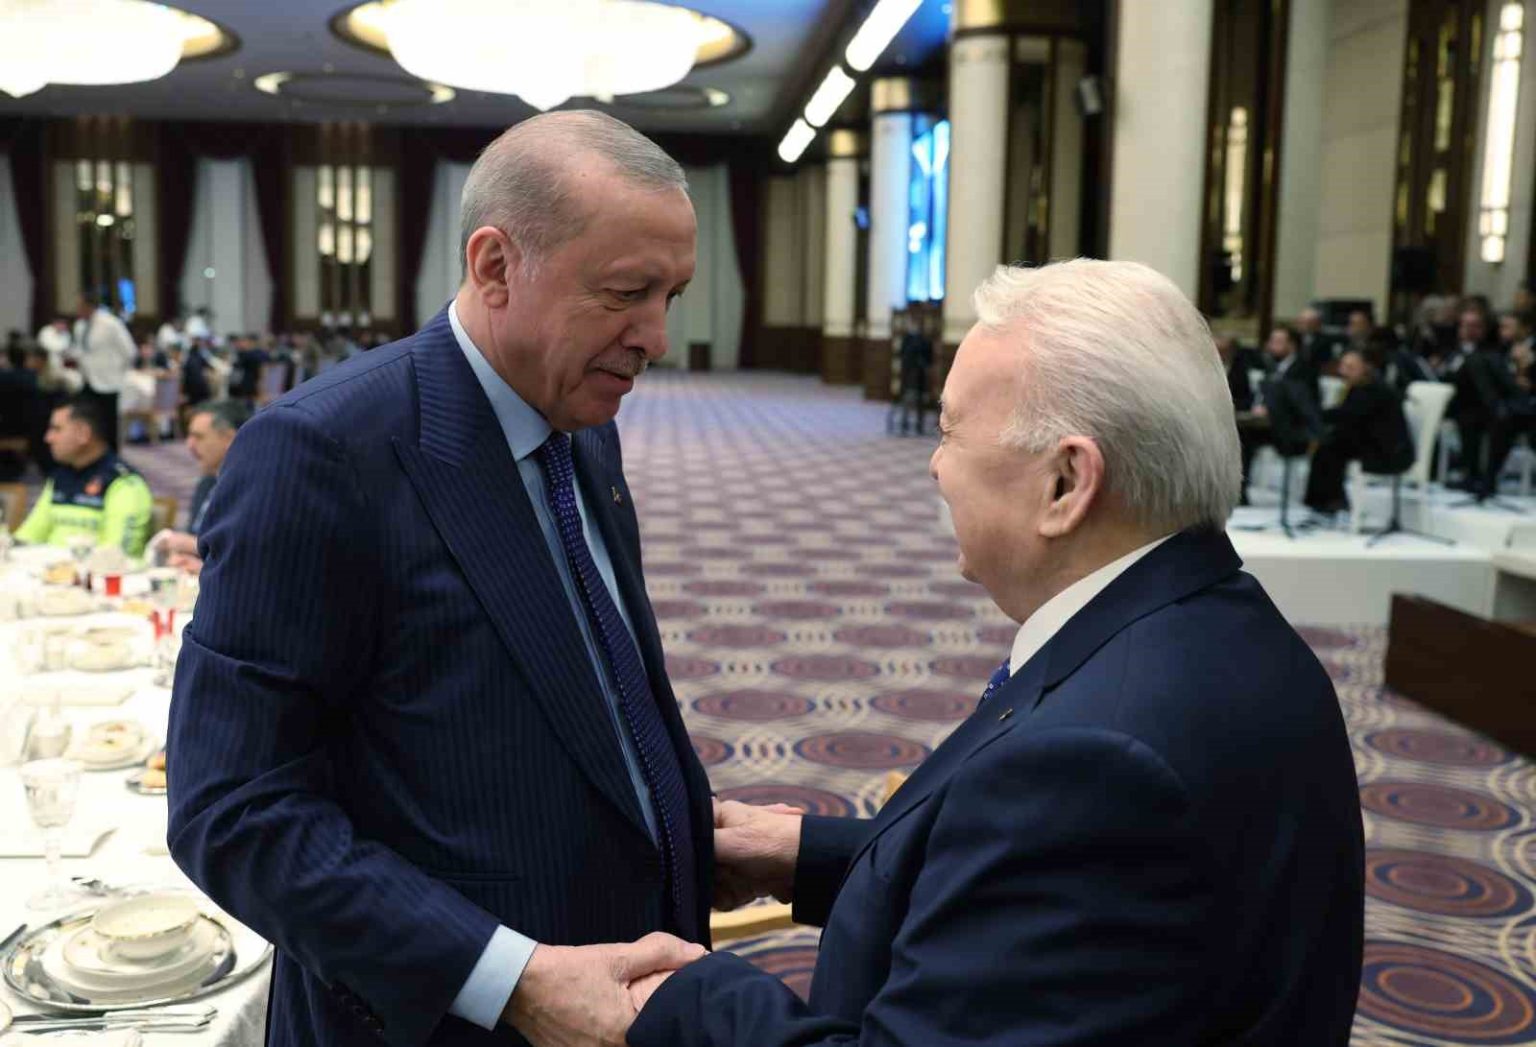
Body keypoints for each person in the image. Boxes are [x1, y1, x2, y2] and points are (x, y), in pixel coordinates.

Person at [618, 260, 1365, 1047]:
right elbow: (1037, 911)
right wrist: (809, 856)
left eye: (950, 430)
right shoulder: (1225, 628)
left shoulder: (1099, 766)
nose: (934, 463)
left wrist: (680, 996)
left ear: (1066, 482)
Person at [166, 110, 712, 1047]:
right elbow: (233, 806)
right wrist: (510, 979)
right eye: (627, 292)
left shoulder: (582, 422)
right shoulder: (320, 453)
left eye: (673, 294)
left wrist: (678, 822)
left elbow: (577, 686)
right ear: (495, 265)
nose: (656, 335)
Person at [14, 396, 153, 556]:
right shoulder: (60, 478)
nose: (48, 438)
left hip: (97, 570)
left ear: (83, 433)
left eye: (57, 429)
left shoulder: (125, 483)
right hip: (48, 569)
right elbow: (28, 537)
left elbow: (117, 556)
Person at [1303, 346, 1415, 515]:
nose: (1344, 372)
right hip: (1368, 440)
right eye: (1343, 366)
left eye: (1351, 367)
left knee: (1331, 446)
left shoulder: (1374, 389)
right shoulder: (1358, 386)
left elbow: (1349, 415)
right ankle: (1325, 500)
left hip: (1389, 451)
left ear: (1366, 367)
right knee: (1329, 444)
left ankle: (1330, 501)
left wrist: (1314, 414)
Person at [147, 399, 251, 575]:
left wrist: (192, 547)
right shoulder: (206, 484)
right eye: (189, 436)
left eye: (199, 437)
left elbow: (245, 554)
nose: (189, 445)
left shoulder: (251, 490)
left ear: (229, 439)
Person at [1238, 326, 1321, 504]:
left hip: (1292, 428)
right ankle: (1240, 491)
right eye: (1271, 341)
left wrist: (1272, 409)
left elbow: (1304, 405)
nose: (1271, 346)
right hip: (1268, 425)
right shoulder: (1271, 367)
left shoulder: (1304, 369)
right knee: (1240, 437)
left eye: (1277, 342)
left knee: (1245, 438)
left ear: (1292, 345)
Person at [71, 293, 136, 450]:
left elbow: (130, 351)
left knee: (108, 424)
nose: (77, 310)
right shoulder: (79, 326)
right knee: (87, 421)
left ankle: (112, 456)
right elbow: (80, 350)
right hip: (86, 380)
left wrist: (116, 371)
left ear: (90, 306)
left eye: (80, 306)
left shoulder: (110, 323)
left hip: (108, 382)